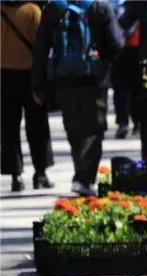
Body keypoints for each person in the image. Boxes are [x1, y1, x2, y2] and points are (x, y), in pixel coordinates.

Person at [31, 0, 123, 196]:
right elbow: (117, 43)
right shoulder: (101, 7)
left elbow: (41, 48)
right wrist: (102, 63)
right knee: (94, 130)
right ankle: (84, 178)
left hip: (65, 80)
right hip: (95, 81)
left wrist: (38, 85)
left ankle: (81, 176)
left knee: (75, 131)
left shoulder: (54, 8)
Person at [1, 0, 54, 191]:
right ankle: (40, 174)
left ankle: (15, 176)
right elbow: (43, 44)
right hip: (31, 76)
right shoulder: (32, 11)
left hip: (3, 76)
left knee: (8, 128)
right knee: (38, 125)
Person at [110, 1, 139, 139]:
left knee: (128, 87)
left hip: (131, 46)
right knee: (123, 87)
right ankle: (126, 122)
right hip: (124, 47)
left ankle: (130, 121)